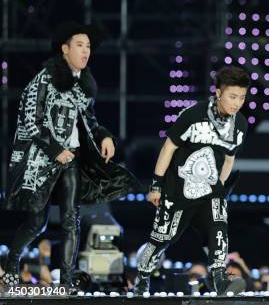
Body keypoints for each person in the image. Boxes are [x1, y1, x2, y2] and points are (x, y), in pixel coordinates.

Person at [1, 21, 138, 288]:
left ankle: (66, 278)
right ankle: (11, 260)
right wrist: (55, 150)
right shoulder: (44, 78)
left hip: (72, 159)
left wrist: (105, 136)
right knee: (37, 222)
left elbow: (90, 121)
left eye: (88, 46)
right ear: (65, 49)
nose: (85, 51)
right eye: (79, 45)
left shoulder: (83, 87)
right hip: (42, 160)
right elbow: (31, 120)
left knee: (71, 219)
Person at [133, 66, 250, 295]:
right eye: (232, 96)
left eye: (242, 98)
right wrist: (156, 184)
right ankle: (142, 276)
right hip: (177, 190)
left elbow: (229, 160)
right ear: (218, 92)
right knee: (162, 238)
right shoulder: (193, 114)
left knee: (219, 226)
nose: (237, 103)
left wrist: (220, 188)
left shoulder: (240, 125)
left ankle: (220, 279)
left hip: (210, 189)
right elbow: (169, 147)